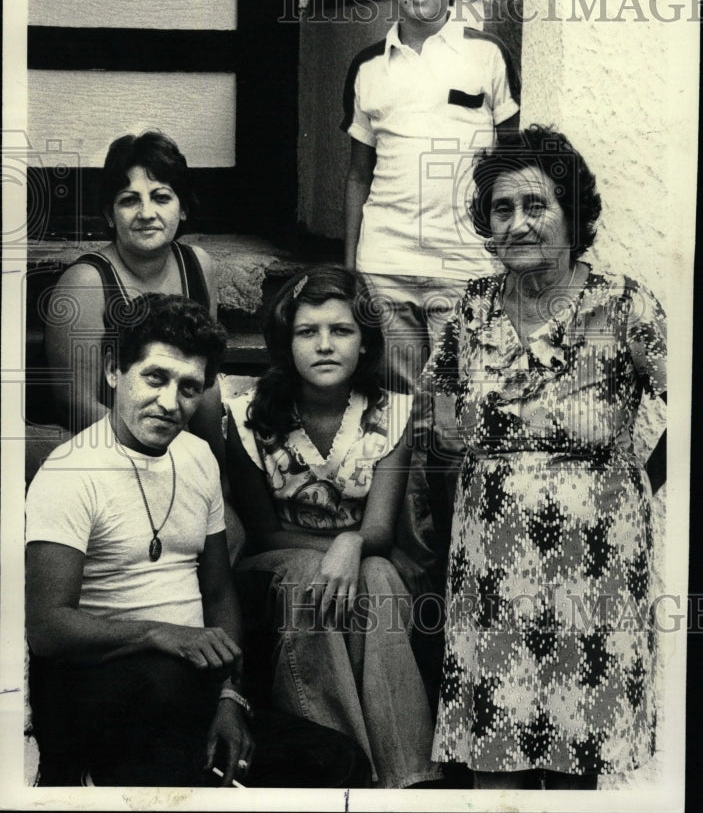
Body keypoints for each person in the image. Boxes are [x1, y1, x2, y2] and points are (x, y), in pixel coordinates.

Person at [26, 293, 370, 788]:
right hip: (108, 686)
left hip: (193, 686)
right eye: (154, 378)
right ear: (111, 372)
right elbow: (47, 628)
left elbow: (218, 592)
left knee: (336, 761)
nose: (171, 403)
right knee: (168, 698)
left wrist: (230, 697)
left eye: (189, 387)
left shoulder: (196, 458)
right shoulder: (70, 472)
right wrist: (160, 634)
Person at [427, 125, 666, 789]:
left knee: (573, 757)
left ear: (571, 214)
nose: (517, 224)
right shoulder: (471, 308)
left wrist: (636, 483)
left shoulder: (624, 305)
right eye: (501, 209)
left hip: (593, 567)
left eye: (535, 207)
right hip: (491, 572)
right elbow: (443, 412)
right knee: (491, 756)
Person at [225, 266, 442, 789]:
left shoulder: (392, 413)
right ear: (285, 341)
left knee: (381, 579)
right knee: (306, 574)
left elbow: (380, 531)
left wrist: (352, 542)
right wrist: (341, 549)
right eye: (308, 332)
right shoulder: (246, 414)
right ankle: (338, 767)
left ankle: (407, 778)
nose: (325, 345)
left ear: (364, 342)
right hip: (275, 569)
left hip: (365, 560)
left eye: (341, 331)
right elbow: (262, 533)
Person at [342, 0, 521, 391]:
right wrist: (353, 265)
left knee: (460, 410)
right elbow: (359, 174)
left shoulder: (487, 56)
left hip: (465, 267)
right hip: (385, 267)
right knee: (397, 411)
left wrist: (505, 256)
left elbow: (512, 167)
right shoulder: (367, 67)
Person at [44, 129, 225, 473]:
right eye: (129, 200)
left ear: (183, 208)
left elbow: (205, 385)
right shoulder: (86, 283)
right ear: (110, 215)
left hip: (180, 447)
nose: (146, 213)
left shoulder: (198, 267)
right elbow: (76, 404)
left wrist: (217, 472)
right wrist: (164, 458)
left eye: (161, 197)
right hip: (108, 454)